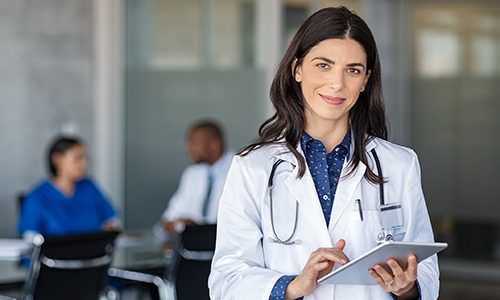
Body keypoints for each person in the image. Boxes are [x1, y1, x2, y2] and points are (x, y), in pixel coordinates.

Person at [209, 6, 439, 300]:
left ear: (365, 80)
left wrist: (407, 289)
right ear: (297, 70)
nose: (337, 84)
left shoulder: (400, 165)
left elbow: (427, 272)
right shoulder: (252, 167)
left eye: (352, 70)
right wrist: (292, 286)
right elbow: (226, 279)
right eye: (323, 65)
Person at [18, 136, 118, 240]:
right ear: (57, 159)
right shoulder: (36, 198)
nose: (84, 164)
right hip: (54, 256)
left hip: (93, 254)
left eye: (85, 158)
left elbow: (111, 222)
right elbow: (30, 239)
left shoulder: (89, 188)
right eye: (77, 158)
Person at [156, 120, 233, 236]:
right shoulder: (192, 174)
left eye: (194, 144)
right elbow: (172, 214)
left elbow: (235, 223)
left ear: (214, 145)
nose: (188, 150)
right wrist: (172, 224)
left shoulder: (240, 171)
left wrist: (196, 227)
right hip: (193, 249)